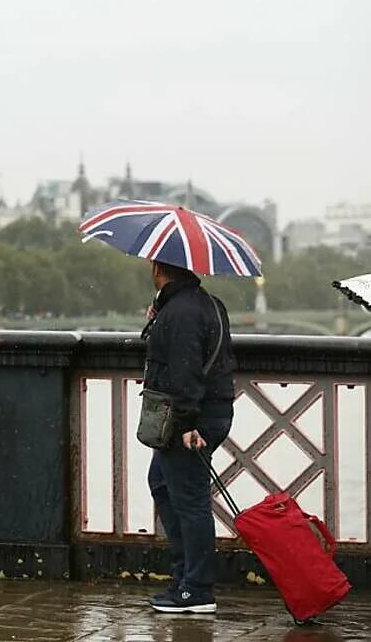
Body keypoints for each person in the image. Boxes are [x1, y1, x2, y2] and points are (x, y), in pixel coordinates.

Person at [143, 260, 235, 615]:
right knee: (163, 484)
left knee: (191, 501)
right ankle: (184, 578)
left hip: (189, 421)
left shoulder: (180, 313)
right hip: (203, 412)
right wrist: (157, 317)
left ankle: (196, 589)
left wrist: (187, 424)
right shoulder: (205, 303)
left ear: (158, 268)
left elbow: (185, 372)